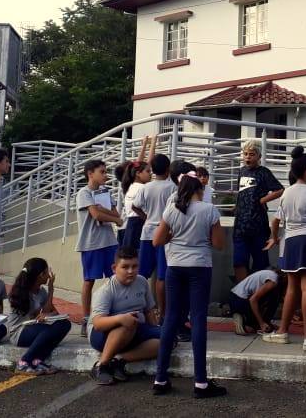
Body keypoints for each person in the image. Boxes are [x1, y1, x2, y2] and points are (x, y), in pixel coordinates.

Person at [152, 171, 227, 398]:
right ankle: (201, 382)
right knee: (198, 319)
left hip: (175, 266)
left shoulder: (172, 209)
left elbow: (157, 240)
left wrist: (175, 236)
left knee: (171, 318)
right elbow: (219, 244)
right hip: (200, 267)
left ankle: (160, 378)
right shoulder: (209, 210)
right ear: (199, 190)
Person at [262, 148, 306, 351]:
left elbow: (276, 221)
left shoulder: (286, 193)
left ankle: (283, 331)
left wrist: (275, 238)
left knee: (291, 288)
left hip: (290, 242)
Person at [88, 247, 161, 386]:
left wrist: (155, 330)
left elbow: (149, 311)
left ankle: (118, 360)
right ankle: (101, 365)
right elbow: (97, 323)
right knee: (128, 323)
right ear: (114, 268)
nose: (130, 271)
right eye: (125, 267)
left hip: (135, 329)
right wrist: (120, 319)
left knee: (169, 338)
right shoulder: (106, 291)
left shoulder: (142, 282)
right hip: (103, 335)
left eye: (134, 266)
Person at [76, 159, 123, 338]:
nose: (105, 175)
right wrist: (114, 219)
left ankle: (113, 314)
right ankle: (86, 318)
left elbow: (115, 213)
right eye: (102, 172)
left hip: (109, 242)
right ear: (90, 174)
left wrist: (107, 211)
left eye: (105, 171)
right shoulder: (84, 193)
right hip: (91, 243)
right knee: (89, 280)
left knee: (114, 278)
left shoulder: (105, 192)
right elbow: (95, 214)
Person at [5, 257, 71, 375]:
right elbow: (31, 317)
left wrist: (51, 290)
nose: (49, 275)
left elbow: (52, 312)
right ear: (41, 275)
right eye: (47, 272)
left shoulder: (41, 291)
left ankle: (37, 361)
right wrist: (43, 315)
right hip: (18, 332)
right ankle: (23, 363)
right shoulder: (22, 292)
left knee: (65, 324)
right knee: (49, 330)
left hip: (33, 327)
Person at [233, 140, 284, 281]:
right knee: (239, 261)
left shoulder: (264, 172)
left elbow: (279, 190)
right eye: (245, 154)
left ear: (259, 156)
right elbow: (241, 192)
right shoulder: (241, 171)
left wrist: (262, 200)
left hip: (258, 225)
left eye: (251, 154)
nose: (247, 157)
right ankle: (242, 290)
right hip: (240, 226)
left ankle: (258, 291)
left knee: (260, 263)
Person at [132, 154, 175, 314]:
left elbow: (135, 206)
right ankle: (162, 312)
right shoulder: (173, 188)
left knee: (142, 274)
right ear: (168, 169)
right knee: (162, 276)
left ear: (152, 170)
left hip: (148, 232)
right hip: (165, 234)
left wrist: (147, 217)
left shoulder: (145, 187)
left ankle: (139, 309)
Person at [229, 267, 282, 335]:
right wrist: (261, 323)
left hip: (234, 298)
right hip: (240, 300)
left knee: (256, 326)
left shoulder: (270, 274)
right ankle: (247, 322)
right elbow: (253, 300)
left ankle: (242, 318)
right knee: (275, 296)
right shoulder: (274, 280)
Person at [120, 159, 152, 250]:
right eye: (148, 171)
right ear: (138, 173)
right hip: (140, 224)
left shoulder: (131, 186)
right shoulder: (143, 188)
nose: (150, 174)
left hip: (131, 225)